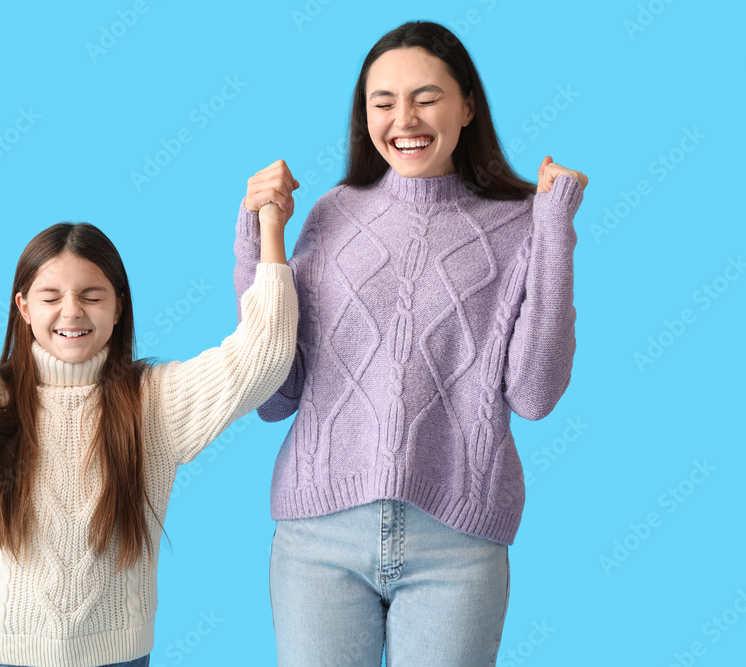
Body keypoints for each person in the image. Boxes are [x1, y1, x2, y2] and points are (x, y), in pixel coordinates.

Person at [233, 20, 588, 667]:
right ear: (363, 113)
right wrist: (261, 241)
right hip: (319, 535)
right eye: (383, 101)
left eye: (426, 97)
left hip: (459, 536)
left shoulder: (517, 227)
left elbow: (534, 395)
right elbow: (275, 394)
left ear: (467, 105)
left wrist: (555, 232)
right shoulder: (330, 213)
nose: (405, 119)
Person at [0, 208, 298, 667]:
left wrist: (270, 231)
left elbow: (263, 356)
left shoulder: (154, 399)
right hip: (2, 652)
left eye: (91, 295)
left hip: (115, 655)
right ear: (23, 307)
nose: (71, 311)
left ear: (118, 305)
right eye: (50, 297)